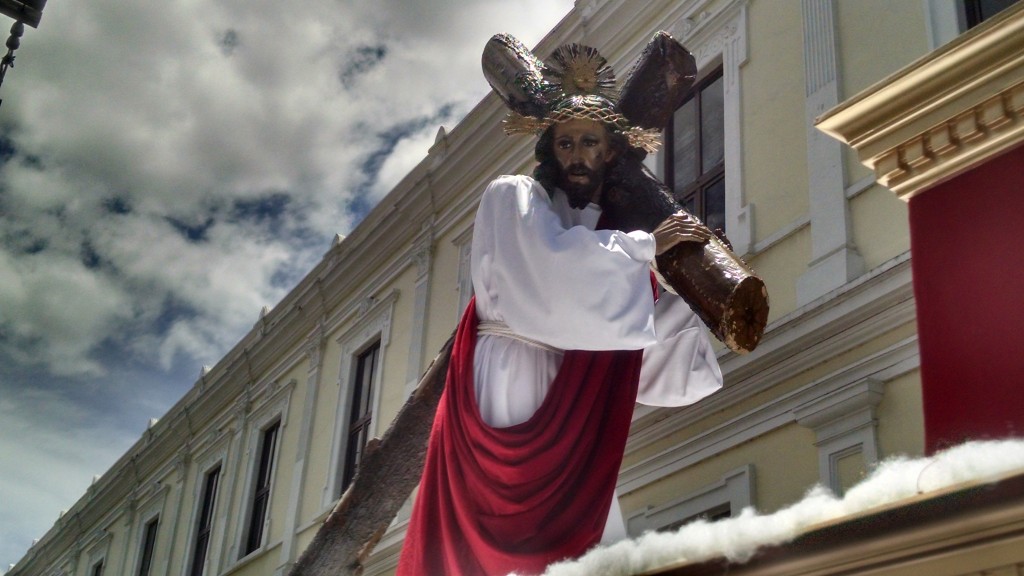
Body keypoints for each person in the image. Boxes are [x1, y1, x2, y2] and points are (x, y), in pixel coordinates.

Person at [396, 42, 724, 576]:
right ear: (549, 148)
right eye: (565, 142)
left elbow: (639, 355)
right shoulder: (513, 196)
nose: (576, 155)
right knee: (510, 537)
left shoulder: (615, 237)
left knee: (588, 546)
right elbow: (548, 278)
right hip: (510, 372)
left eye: (589, 143)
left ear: (611, 153)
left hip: (576, 394)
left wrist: (688, 294)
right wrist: (646, 249)